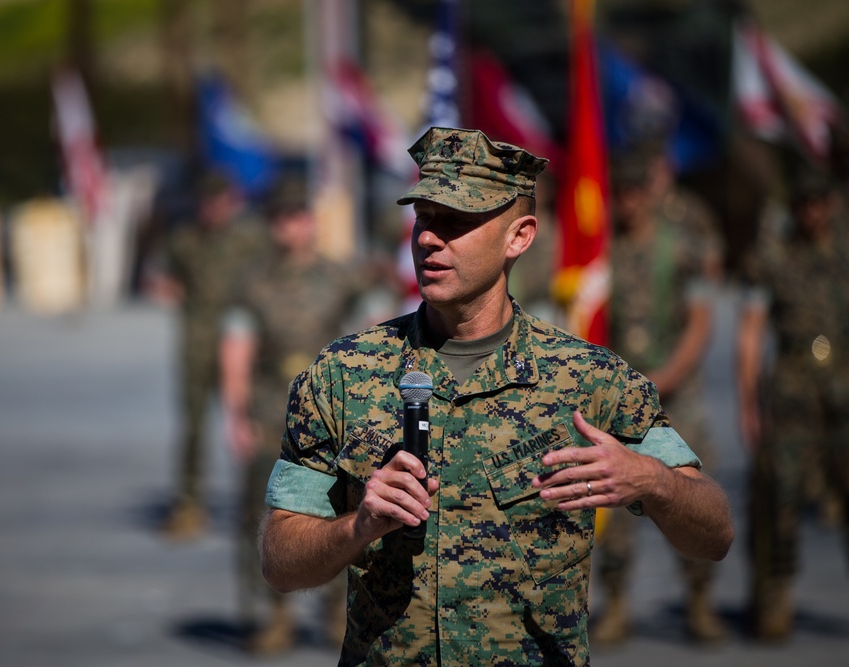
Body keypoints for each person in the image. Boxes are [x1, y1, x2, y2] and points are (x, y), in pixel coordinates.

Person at [258, 127, 734, 666]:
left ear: (520, 237)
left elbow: (715, 532)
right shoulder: (341, 374)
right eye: (423, 218)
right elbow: (279, 560)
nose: (429, 239)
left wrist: (652, 479)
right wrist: (357, 527)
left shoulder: (590, 379)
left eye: (456, 222)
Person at [219, 176, 364, 654]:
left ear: (311, 221)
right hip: (270, 413)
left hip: (333, 413)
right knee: (263, 518)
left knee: (342, 511)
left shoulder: (342, 276)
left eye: (298, 216)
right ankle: (273, 617)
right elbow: (237, 347)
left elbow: (367, 339)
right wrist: (236, 414)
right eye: (281, 218)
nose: (291, 227)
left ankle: (336, 615)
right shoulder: (251, 280)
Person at [590, 149, 726, 645]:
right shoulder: (604, 252)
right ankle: (617, 603)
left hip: (674, 398)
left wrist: (668, 375)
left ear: (649, 191)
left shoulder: (680, 248)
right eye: (618, 193)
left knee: (687, 496)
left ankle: (699, 601)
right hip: (618, 401)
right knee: (614, 503)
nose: (626, 202)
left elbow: (700, 321)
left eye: (633, 191)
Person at [737, 170, 849, 641]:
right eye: (804, 203)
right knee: (778, 500)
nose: (812, 212)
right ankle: (773, 599)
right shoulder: (774, 254)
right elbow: (751, 330)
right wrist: (748, 403)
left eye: (819, 202)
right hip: (790, 392)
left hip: (842, 391)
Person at [157, 171, 267, 539]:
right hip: (198, 340)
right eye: (206, 201)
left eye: (219, 201)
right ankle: (189, 503)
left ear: (232, 200)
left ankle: (254, 504)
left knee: (247, 420)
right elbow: (165, 275)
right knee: (193, 426)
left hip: (240, 341)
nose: (212, 209)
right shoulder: (185, 238)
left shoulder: (251, 238)